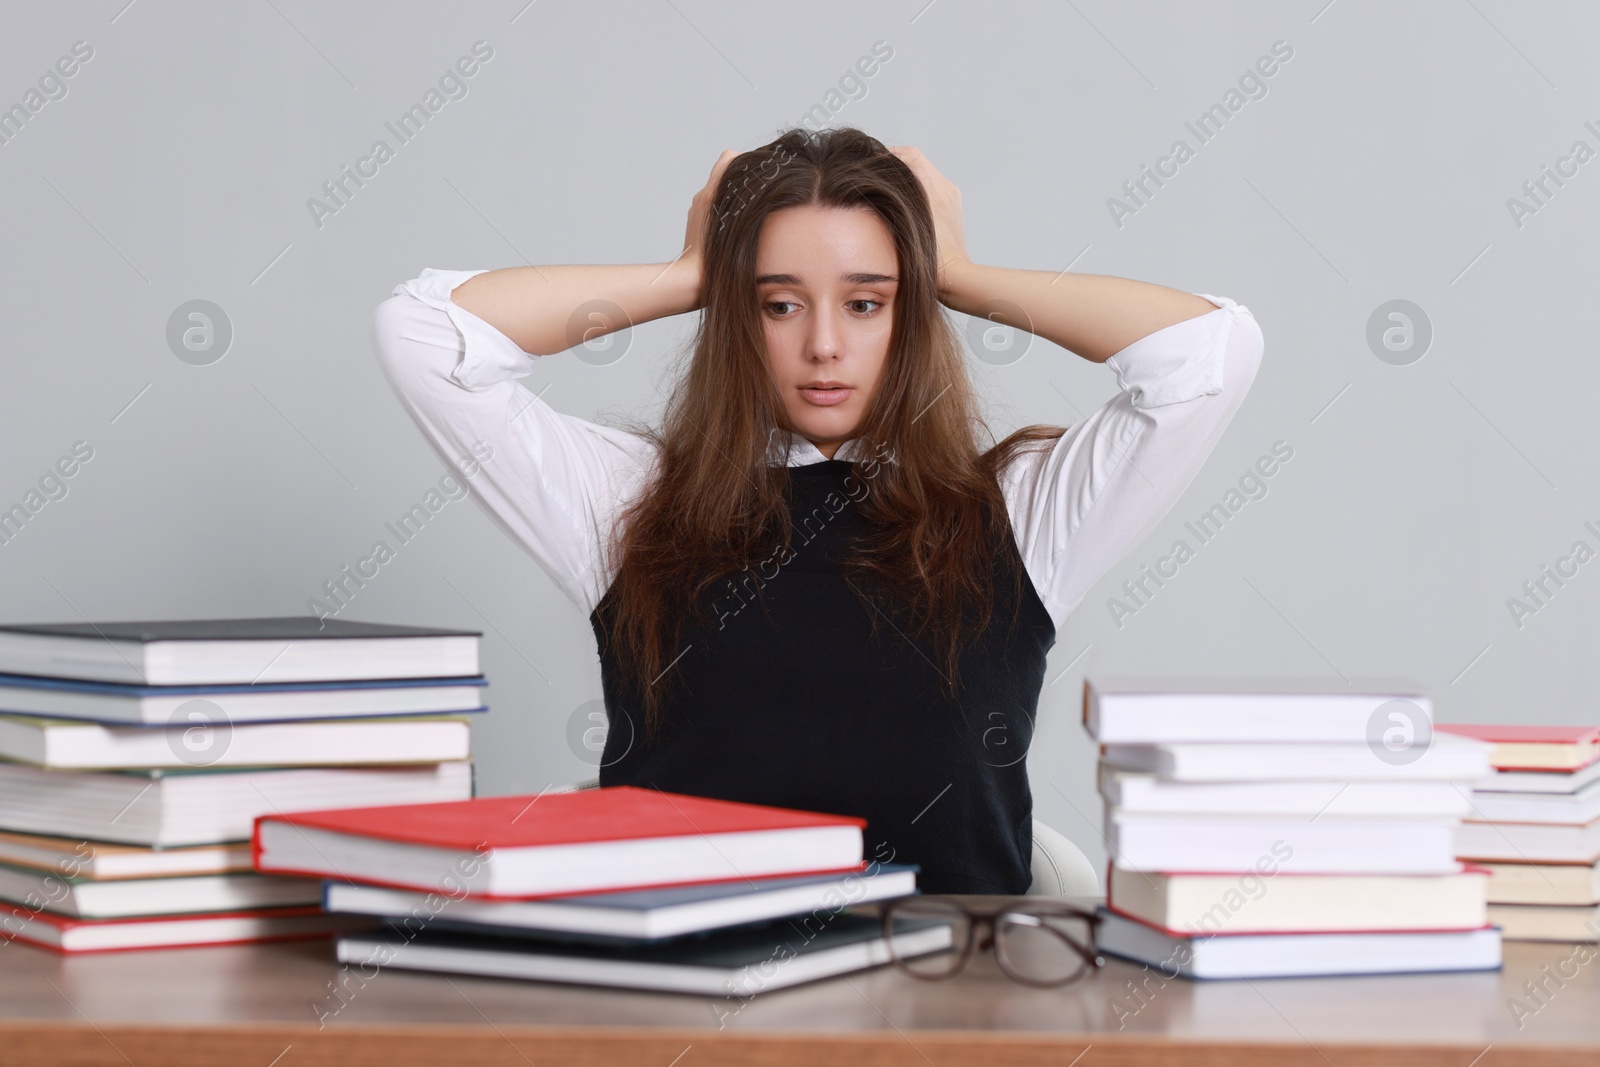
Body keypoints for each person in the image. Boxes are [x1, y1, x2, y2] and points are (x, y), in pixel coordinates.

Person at [370, 126, 1264, 894]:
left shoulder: (1018, 508)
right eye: (779, 303)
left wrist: (956, 270)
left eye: (868, 302)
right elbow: (422, 335)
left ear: (912, 316)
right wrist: (690, 272)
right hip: (683, 999)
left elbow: (1208, 351)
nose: (824, 344)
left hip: (955, 1006)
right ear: (735, 316)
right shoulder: (632, 498)